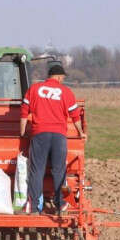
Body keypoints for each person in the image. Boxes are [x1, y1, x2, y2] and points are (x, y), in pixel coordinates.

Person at [20, 64, 85, 215]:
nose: (62, 80)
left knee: (36, 171)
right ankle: (61, 205)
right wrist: (81, 132)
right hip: (59, 136)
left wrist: (22, 132)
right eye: (62, 77)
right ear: (58, 76)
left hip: (39, 134)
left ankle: (34, 208)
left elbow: (24, 112)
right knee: (59, 171)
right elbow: (75, 116)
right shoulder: (66, 92)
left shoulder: (34, 89)